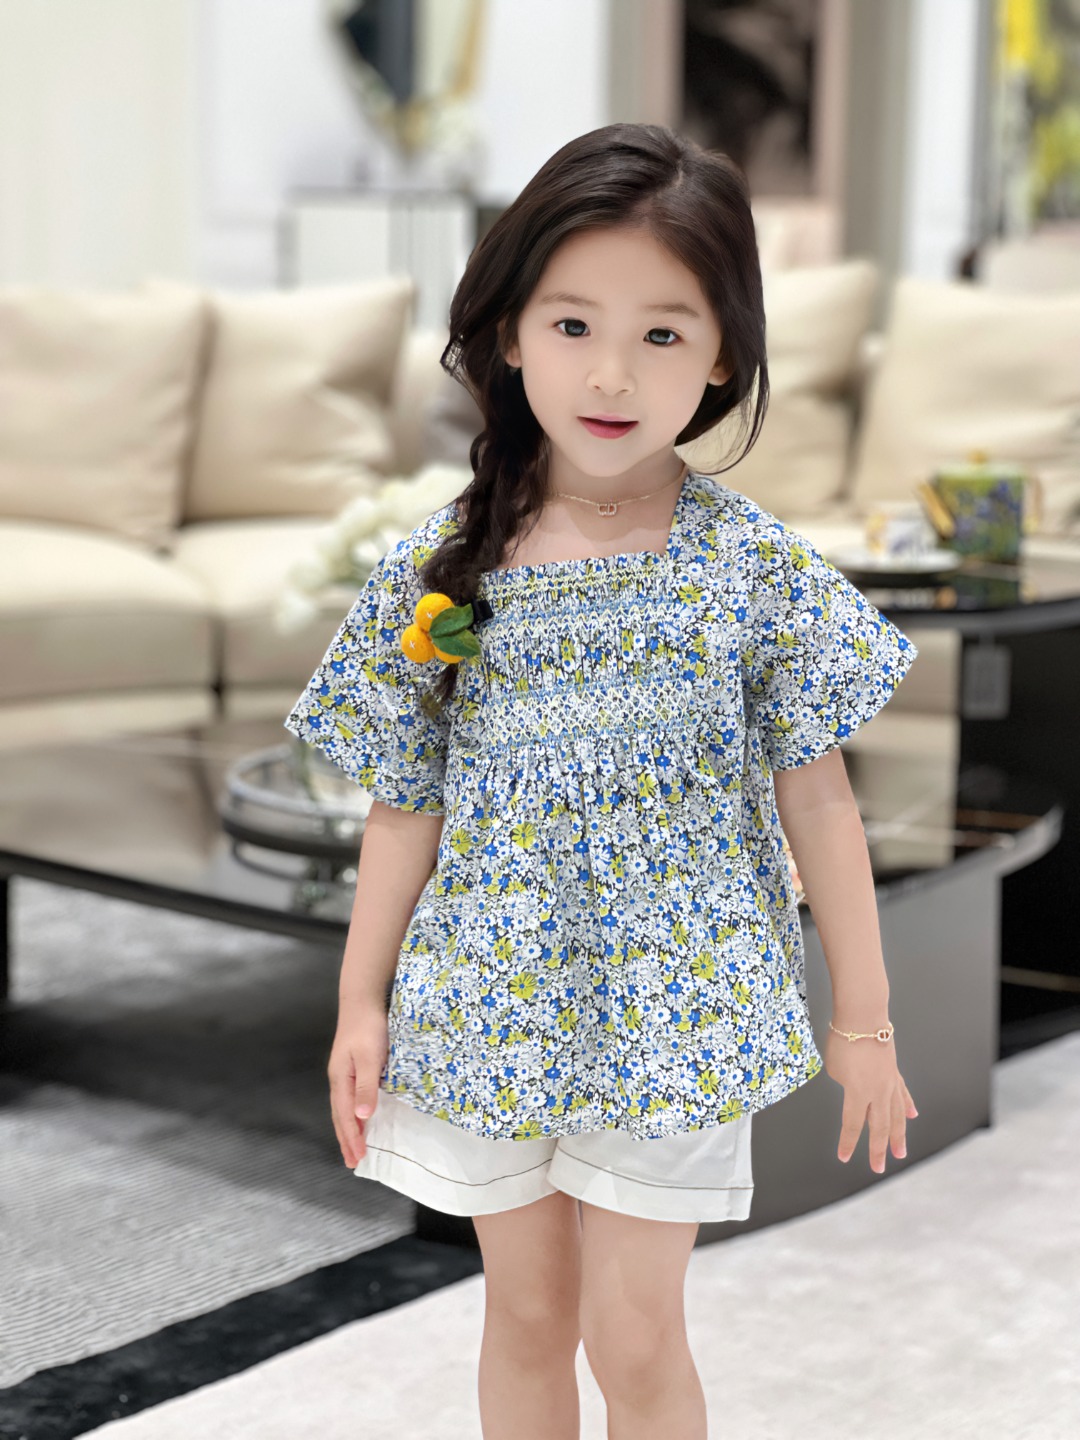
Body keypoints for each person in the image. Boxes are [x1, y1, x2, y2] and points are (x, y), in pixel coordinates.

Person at [285, 122, 921, 1440]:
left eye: (663, 334)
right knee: (524, 1319)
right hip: (490, 999)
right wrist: (359, 1000)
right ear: (512, 335)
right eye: (573, 325)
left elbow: (821, 802)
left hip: (676, 1005)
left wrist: (864, 1020)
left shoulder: (753, 569)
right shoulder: (443, 568)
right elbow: (405, 801)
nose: (613, 373)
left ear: (725, 355)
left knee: (636, 1336)